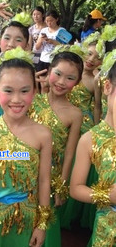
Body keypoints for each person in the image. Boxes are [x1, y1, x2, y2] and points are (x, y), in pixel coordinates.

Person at [0, 48, 53, 247]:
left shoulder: (43, 135)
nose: (17, 99)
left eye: (24, 91)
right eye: (8, 91)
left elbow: (43, 180)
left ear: (34, 91)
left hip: (27, 218)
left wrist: (42, 224)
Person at [28, 46, 83, 247]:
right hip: (25, 169)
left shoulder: (75, 114)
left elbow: (69, 153)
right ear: (49, 71)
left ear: (77, 83)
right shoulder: (32, 100)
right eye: (58, 74)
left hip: (51, 177)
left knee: (44, 220)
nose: (61, 82)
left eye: (70, 78)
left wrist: (62, 186)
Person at [70, 50, 116, 246]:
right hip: (108, 226)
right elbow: (76, 188)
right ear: (108, 87)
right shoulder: (90, 139)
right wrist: (106, 195)